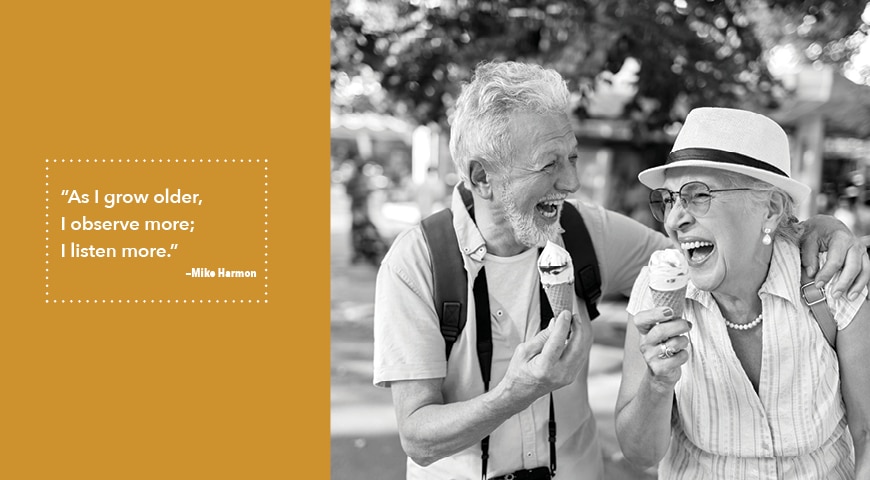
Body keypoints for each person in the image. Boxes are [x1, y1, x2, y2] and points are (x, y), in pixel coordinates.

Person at [373, 62, 869, 479]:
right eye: (549, 165)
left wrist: (813, 229)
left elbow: (704, 255)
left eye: (572, 158)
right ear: (483, 177)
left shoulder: (587, 232)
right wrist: (519, 390)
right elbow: (418, 438)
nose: (570, 183)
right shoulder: (417, 264)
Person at [615, 108, 870, 479]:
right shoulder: (656, 288)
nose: (674, 220)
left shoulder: (832, 280)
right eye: (668, 199)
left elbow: (866, 432)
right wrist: (657, 384)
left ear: (769, 208)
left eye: (698, 195)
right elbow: (639, 455)